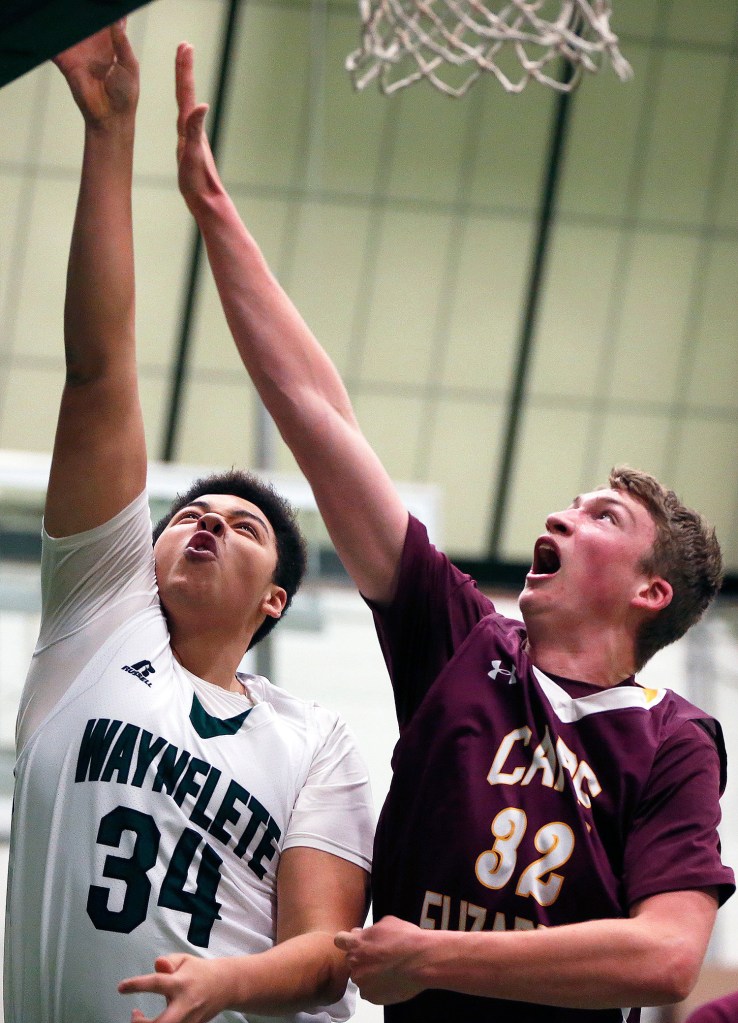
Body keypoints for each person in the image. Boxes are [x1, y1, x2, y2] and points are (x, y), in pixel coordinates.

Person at [169, 39, 735, 1023]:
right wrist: (214, 211)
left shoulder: (674, 739)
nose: (557, 515)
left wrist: (434, 955)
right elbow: (319, 412)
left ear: (653, 591)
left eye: (601, 516)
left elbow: (665, 958)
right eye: (567, 504)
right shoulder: (465, 646)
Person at [3, 23, 374, 1023]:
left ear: (277, 601)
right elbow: (98, 375)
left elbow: (326, 954)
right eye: (191, 515)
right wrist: (112, 134)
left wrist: (225, 982)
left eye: (242, 529)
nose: (207, 524)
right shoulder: (96, 623)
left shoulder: (313, 740)